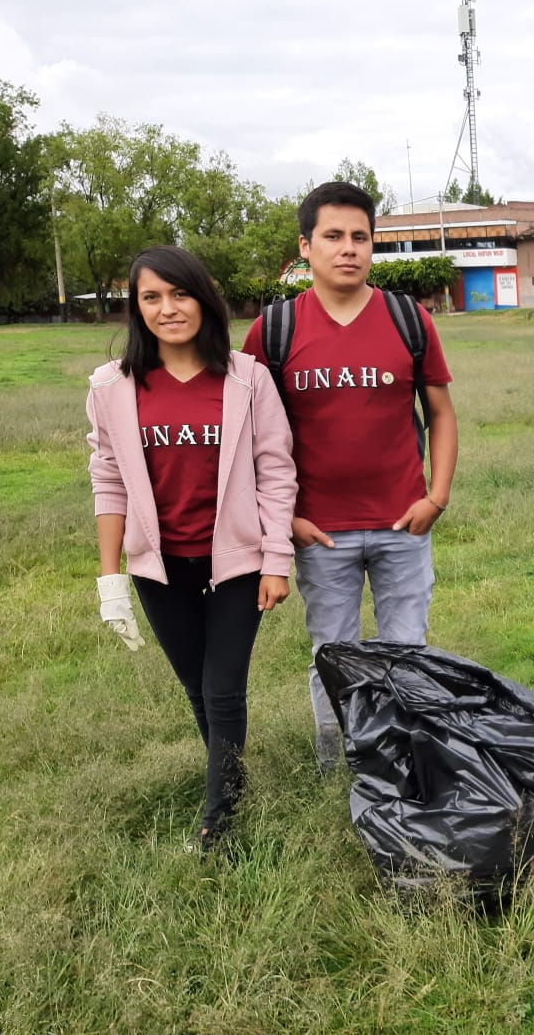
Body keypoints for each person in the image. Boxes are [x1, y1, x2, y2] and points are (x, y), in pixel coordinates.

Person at [242, 181, 459, 773]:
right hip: (321, 533)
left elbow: (439, 413)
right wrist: (284, 518)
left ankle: (407, 764)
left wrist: (435, 497)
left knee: (408, 654)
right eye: (333, 236)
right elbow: (251, 439)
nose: (348, 249)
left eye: (360, 237)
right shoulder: (274, 331)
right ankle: (338, 768)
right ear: (305, 247)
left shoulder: (407, 319)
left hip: (403, 525)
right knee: (332, 655)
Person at [87, 245, 297, 852]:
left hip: (236, 562)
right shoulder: (112, 386)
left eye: (179, 294)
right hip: (158, 567)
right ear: (136, 308)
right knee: (196, 687)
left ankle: (219, 819)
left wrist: (276, 561)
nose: (167, 309)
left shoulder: (245, 378)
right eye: (150, 297)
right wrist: (111, 581)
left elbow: (276, 471)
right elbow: (108, 477)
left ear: (204, 299)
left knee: (224, 684)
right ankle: (230, 778)